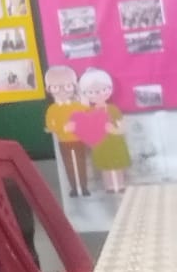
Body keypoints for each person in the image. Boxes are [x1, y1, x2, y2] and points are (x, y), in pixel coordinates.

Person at [77, 68, 132, 193]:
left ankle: (120, 184)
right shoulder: (89, 112)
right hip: (101, 144)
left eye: (104, 90)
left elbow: (122, 127)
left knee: (117, 165)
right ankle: (110, 186)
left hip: (115, 143)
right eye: (93, 92)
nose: (100, 94)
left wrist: (114, 130)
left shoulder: (113, 109)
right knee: (105, 167)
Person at [43, 66, 90, 197]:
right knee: (68, 164)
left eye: (68, 86)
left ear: (74, 87)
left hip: (79, 140)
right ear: (49, 89)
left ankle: (84, 187)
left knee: (81, 163)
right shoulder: (52, 109)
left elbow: (88, 118)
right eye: (56, 88)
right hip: (63, 141)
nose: (62, 91)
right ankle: (74, 187)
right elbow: (49, 125)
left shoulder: (78, 106)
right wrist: (62, 128)